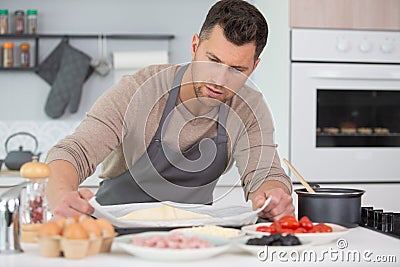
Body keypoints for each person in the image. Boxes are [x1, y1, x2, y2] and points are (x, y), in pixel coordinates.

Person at [46, 0, 295, 221]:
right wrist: (61, 196)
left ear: (253, 67)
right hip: (114, 233)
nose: (219, 80)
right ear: (195, 45)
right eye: (213, 61)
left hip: (196, 239)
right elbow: (74, 151)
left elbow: (265, 174)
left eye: (237, 69)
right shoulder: (139, 90)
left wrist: (274, 197)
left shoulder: (248, 108)